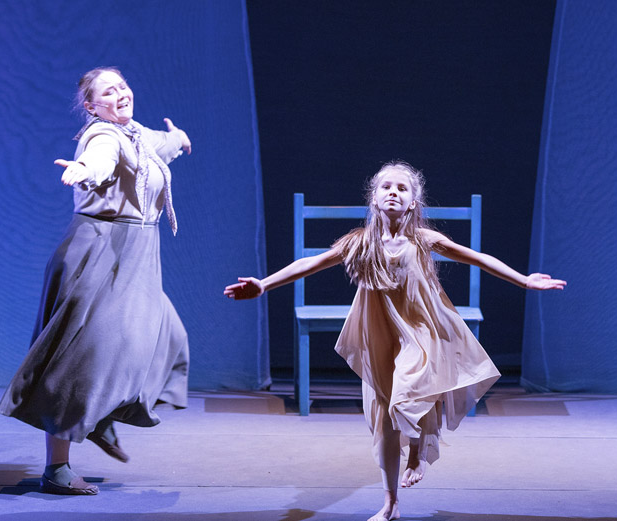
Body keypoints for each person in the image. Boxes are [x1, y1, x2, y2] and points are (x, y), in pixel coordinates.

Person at [225, 161, 566, 521]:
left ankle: (416, 450)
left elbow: (478, 258)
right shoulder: (360, 243)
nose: (393, 192)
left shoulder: (423, 240)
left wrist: (523, 280)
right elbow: (308, 264)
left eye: (402, 188)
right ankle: (391, 502)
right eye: (386, 187)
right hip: (380, 338)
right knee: (385, 419)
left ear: (413, 203)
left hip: (422, 332)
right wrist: (264, 284)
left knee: (407, 393)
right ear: (373, 199)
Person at [0, 67, 193, 494]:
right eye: (108, 91)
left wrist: (178, 138)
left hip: (137, 255)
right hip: (100, 251)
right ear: (91, 106)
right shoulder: (102, 135)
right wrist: (83, 169)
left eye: (122, 86)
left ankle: (102, 413)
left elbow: (160, 145)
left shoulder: (136, 133)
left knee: (165, 337)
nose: (120, 94)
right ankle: (57, 468)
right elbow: (101, 160)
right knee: (78, 359)